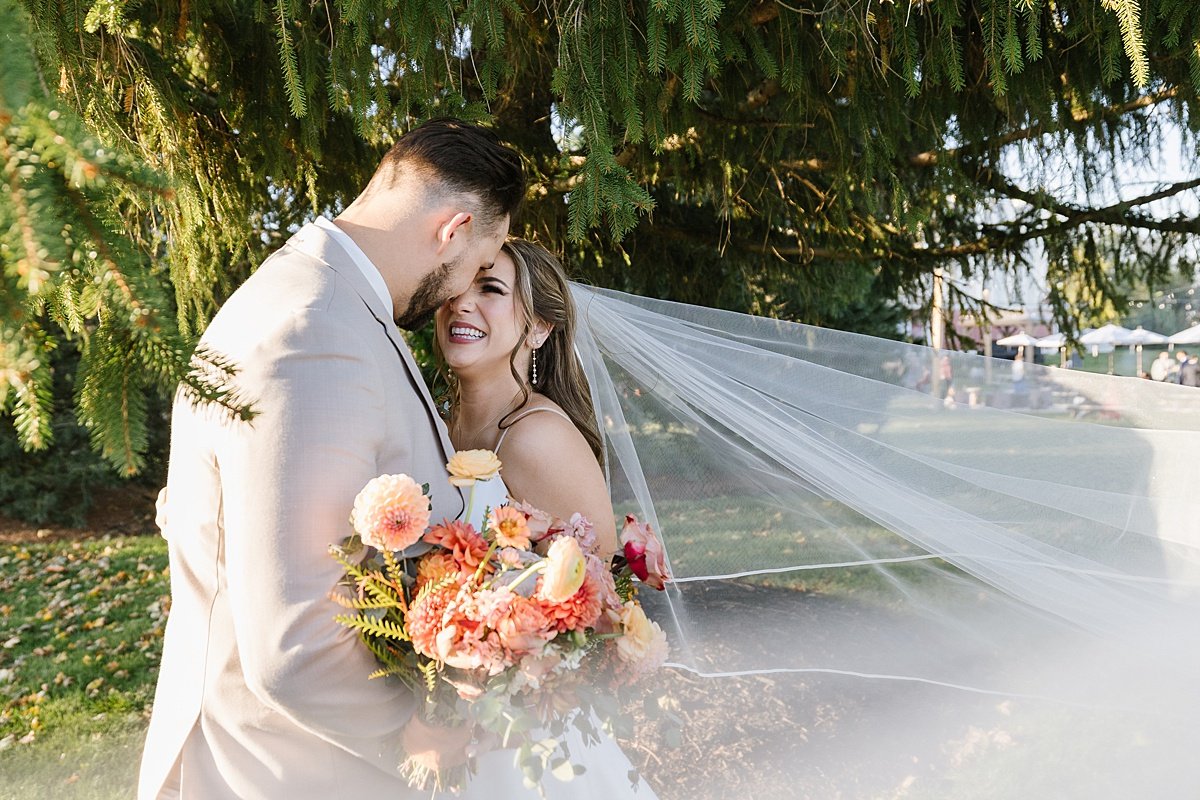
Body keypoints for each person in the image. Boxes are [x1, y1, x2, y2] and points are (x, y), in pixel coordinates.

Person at [137, 118, 524, 800]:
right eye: (480, 262)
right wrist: (420, 728)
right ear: (455, 229)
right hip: (278, 772)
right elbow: (297, 645)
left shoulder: (330, 301)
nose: (464, 287)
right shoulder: (314, 331)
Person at [434, 238, 617, 555]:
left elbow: (597, 588)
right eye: (456, 284)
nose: (459, 303)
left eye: (490, 289)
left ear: (538, 329)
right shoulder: (436, 421)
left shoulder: (540, 438)